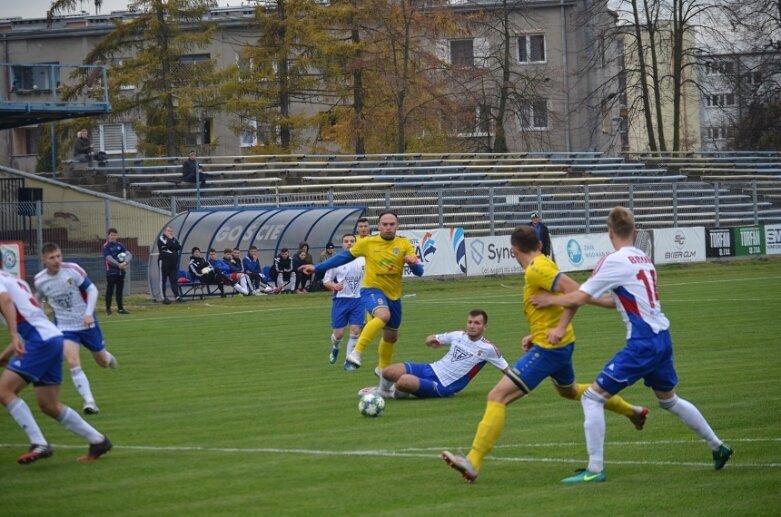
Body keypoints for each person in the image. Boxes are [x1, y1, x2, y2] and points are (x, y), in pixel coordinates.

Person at [529, 206, 733, 483]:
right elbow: (616, 301)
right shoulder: (643, 258)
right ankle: (717, 445)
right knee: (669, 400)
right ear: (635, 231)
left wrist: (551, 301)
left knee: (592, 397)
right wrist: (583, 298)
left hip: (643, 343)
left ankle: (595, 469)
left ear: (609, 232)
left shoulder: (613, 261)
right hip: (663, 337)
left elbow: (576, 297)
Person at [441, 225, 647, 483]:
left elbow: (575, 291)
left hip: (551, 349)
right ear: (538, 245)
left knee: (497, 396)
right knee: (569, 391)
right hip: (555, 344)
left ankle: (473, 462)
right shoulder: (539, 266)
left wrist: (576, 318)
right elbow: (563, 298)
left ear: (513, 249)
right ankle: (633, 411)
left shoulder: (538, 268)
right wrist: (539, 333)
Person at [0, 251, 112, 464]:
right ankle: (98, 440)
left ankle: (39, 443)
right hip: (51, 338)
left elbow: (4, 300)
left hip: (40, 341)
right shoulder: (14, 280)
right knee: (49, 404)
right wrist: (7, 354)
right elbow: (32, 320)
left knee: (4, 391)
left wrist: (13, 335)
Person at [300, 211, 424, 372]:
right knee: (383, 316)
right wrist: (317, 267)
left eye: (392, 224)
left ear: (397, 226)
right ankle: (356, 353)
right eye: (384, 224)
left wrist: (413, 264)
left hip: (393, 294)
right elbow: (343, 257)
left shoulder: (404, 243)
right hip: (371, 290)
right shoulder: (368, 243)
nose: (388, 227)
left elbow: (419, 272)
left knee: (391, 337)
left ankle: (382, 372)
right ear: (378, 226)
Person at [34, 243, 118, 415]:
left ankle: (108, 357)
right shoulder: (40, 280)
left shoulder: (73, 270)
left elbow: (92, 290)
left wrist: (88, 313)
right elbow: (37, 302)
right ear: (44, 260)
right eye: (52, 258)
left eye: (58, 256)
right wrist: (42, 323)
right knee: (73, 361)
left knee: (102, 361)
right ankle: (89, 402)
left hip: (87, 322)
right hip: (65, 327)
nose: (57, 260)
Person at [365, 309, 508, 399]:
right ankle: (384, 391)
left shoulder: (488, 349)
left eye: (477, 323)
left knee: (403, 381)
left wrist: (519, 389)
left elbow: (507, 371)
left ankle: (392, 393)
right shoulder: (458, 335)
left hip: (443, 385)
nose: (472, 326)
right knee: (388, 371)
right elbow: (432, 337)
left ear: (485, 327)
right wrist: (431, 340)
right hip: (431, 369)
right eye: (470, 322)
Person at [322, 234, 365, 369]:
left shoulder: (364, 260)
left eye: (352, 241)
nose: (349, 243)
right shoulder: (336, 261)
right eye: (346, 241)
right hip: (340, 301)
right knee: (339, 334)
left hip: (358, 300)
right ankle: (335, 346)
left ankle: (348, 361)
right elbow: (326, 280)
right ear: (342, 244)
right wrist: (333, 286)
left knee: (355, 331)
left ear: (356, 243)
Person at [103, 227, 131, 315]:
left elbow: (129, 254)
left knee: (119, 291)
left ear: (117, 236)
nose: (113, 237)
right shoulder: (106, 246)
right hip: (111, 271)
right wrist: (118, 264)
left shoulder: (120, 245)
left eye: (115, 235)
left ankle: (120, 309)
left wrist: (125, 262)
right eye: (112, 235)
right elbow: (108, 258)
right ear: (108, 236)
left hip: (120, 272)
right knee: (110, 290)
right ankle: (108, 309)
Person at [158, 226, 183, 304]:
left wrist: (171, 243)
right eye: (168, 231)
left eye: (171, 231)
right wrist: (171, 243)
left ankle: (177, 297)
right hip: (164, 262)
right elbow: (167, 245)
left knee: (174, 280)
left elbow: (179, 246)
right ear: (165, 231)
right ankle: (163, 298)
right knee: (163, 280)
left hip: (173, 263)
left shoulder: (174, 239)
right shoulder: (161, 238)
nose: (170, 233)